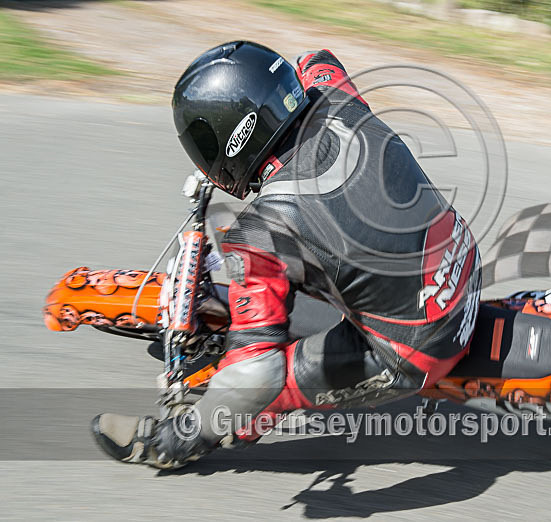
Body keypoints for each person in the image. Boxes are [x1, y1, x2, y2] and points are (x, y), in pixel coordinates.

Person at [91, 41, 482, 468]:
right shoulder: (338, 98)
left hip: (415, 347)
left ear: (227, 142)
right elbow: (319, 60)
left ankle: (171, 444)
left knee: (267, 383)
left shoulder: (262, 231)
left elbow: (256, 374)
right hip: (461, 262)